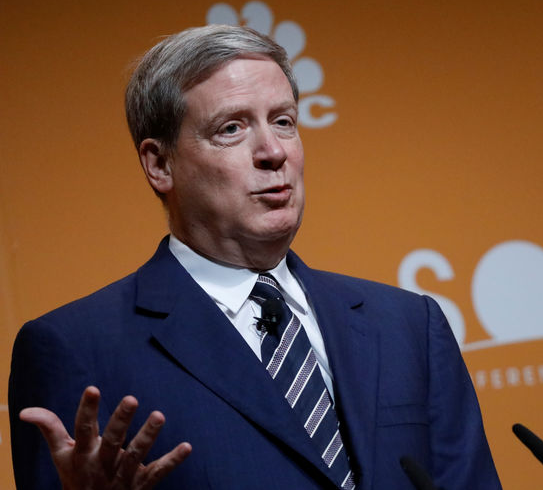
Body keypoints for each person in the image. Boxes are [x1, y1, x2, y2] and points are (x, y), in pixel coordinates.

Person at [8, 25, 502, 490]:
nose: (273, 151)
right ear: (160, 164)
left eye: (284, 122)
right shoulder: (76, 349)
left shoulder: (409, 326)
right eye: (231, 129)